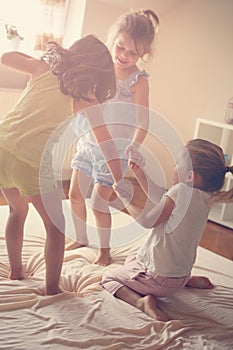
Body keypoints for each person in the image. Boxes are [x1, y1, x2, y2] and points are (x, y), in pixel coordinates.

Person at [0, 34, 122, 295]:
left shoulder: (43, 69)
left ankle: (16, 270)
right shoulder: (86, 98)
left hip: (1, 150)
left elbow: (5, 57)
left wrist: (40, 61)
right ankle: (53, 288)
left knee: (16, 212)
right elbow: (106, 143)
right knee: (55, 227)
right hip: (29, 162)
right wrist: (119, 178)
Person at [101, 139, 233, 321]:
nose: (174, 166)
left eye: (178, 163)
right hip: (177, 276)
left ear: (190, 176)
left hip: (160, 280)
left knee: (108, 277)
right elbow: (162, 199)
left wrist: (125, 199)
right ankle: (186, 281)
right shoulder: (206, 197)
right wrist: (139, 173)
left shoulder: (180, 191)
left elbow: (148, 221)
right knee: (134, 258)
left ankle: (142, 303)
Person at [67, 9, 160, 266]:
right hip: (88, 145)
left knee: (98, 203)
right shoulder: (101, 69)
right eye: (121, 47)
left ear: (144, 54)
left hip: (114, 153)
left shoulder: (138, 81)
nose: (124, 56)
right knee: (75, 194)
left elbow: (143, 120)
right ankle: (81, 237)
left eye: (133, 53)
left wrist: (135, 144)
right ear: (112, 39)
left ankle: (104, 250)